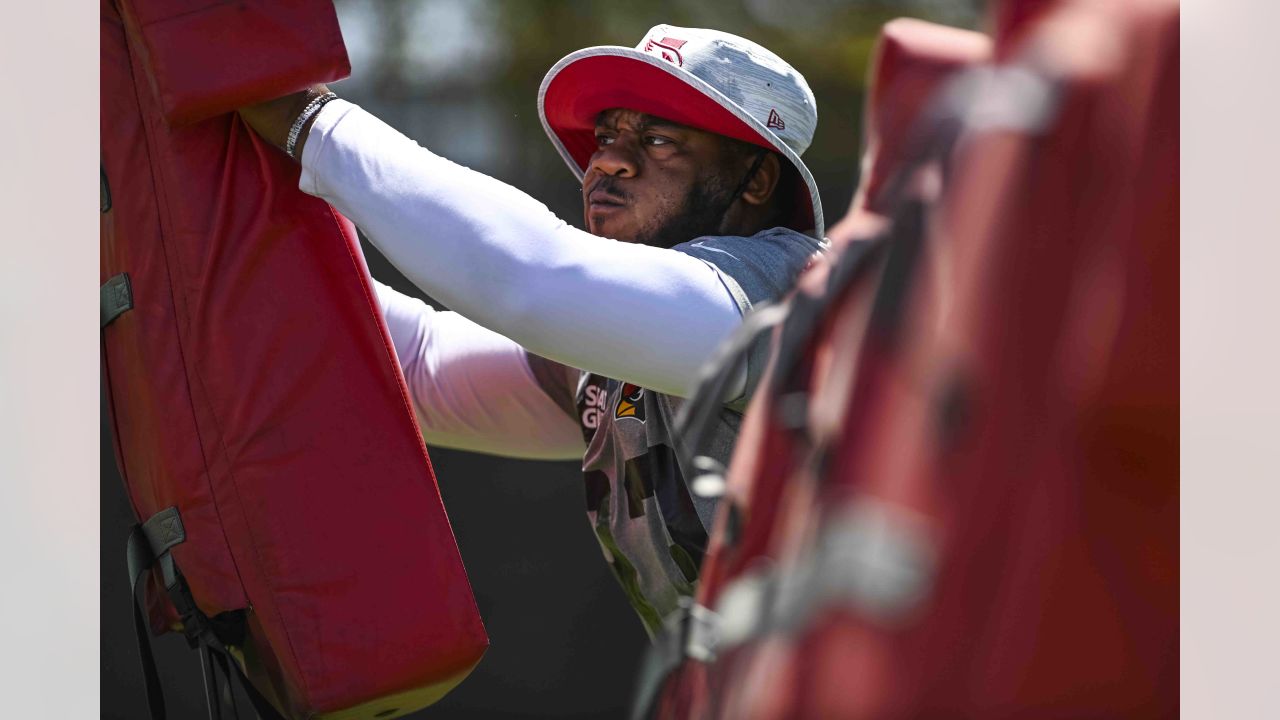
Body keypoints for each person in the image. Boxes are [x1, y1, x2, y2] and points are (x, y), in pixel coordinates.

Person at [240, 24, 827, 636]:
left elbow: (531, 277)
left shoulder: (796, 294)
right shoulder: (620, 340)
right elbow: (411, 367)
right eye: (606, 135)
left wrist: (305, 118)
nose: (607, 159)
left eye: (658, 140)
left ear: (756, 181)